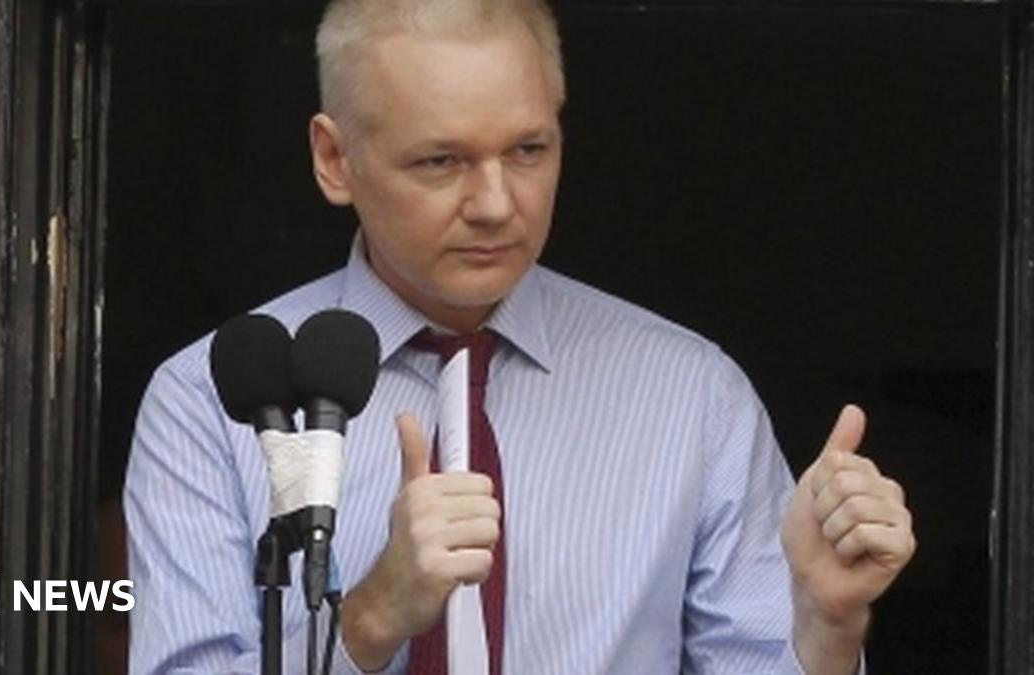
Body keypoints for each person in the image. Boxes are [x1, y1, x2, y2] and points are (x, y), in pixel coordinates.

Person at [123, 1, 916, 673]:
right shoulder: (212, 399)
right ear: (335, 159)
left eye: (528, 150)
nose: (497, 204)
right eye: (442, 161)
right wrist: (372, 615)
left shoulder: (692, 393)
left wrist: (827, 627)